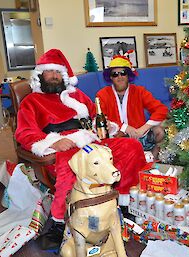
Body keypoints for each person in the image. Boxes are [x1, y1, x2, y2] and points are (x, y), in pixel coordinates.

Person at [15, 49, 147, 251]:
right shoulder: (31, 102)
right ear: (40, 75)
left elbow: (97, 116)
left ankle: (124, 203)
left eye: (58, 72)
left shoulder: (76, 95)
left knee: (132, 146)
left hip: (92, 142)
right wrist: (53, 143)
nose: (54, 76)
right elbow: (24, 134)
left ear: (64, 75)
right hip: (62, 148)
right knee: (71, 164)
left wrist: (107, 126)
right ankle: (59, 223)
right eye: (49, 72)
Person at [96, 52, 168, 159]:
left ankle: (152, 162)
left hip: (140, 135)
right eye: (115, 74)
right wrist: (125, 127)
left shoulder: (139, 91)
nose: (119, 77)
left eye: (123, 73)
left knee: (159, 131)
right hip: (117, 138)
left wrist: (143, 128)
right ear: (110, 77)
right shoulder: (102, 94)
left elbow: (162, 110)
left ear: (128, 75)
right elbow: (102, 120)